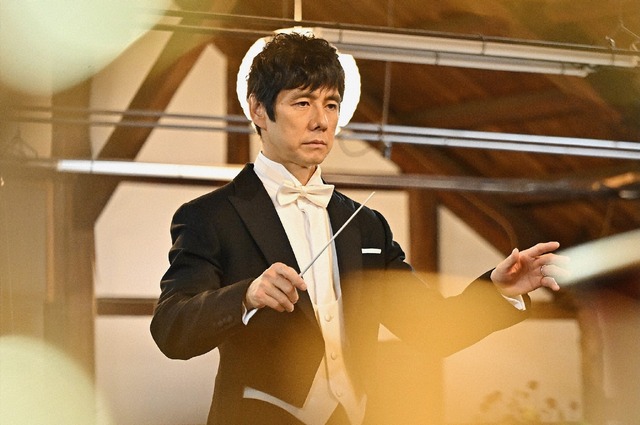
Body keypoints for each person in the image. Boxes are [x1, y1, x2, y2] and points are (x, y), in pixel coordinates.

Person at [150, 32, 565, 425]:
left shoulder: (366, 225)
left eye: (331, 105)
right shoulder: (210, 216)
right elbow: (171, 329)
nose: (321, 121)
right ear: (259, 109)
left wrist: (499, 290)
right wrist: (245, 295)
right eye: (302, 103)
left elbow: (430, 328)